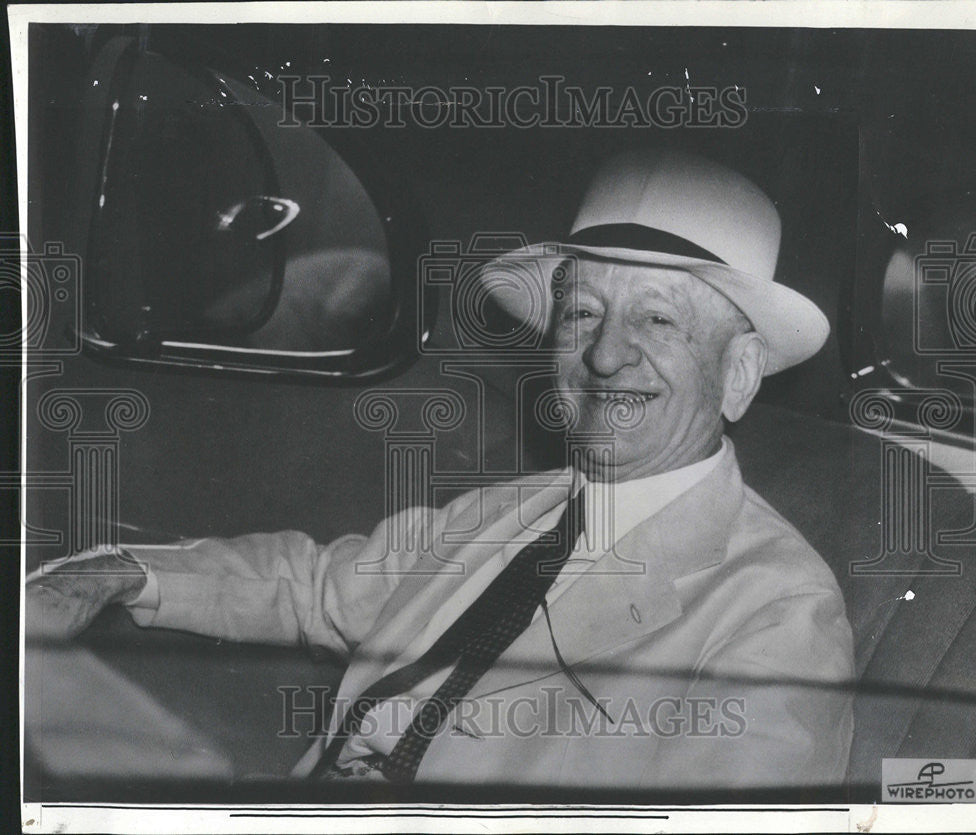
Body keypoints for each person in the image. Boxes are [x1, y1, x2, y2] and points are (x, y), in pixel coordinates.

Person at [25, 148, 854, 790]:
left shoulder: (778, 612)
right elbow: (313, 581)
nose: (605, 354)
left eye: (658, 317)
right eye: (583, 313)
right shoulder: (505, 513)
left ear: (739, 373)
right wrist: (112, 571)